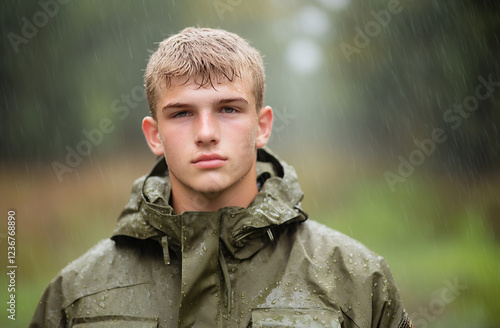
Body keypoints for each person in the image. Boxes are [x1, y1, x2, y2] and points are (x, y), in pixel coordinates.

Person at [30, 27, 413, 328]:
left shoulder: (356, 280)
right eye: (181, 113)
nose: (206, 132)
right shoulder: (76, 293)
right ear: (154, 135)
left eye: (228, 109)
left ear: (262, 126)